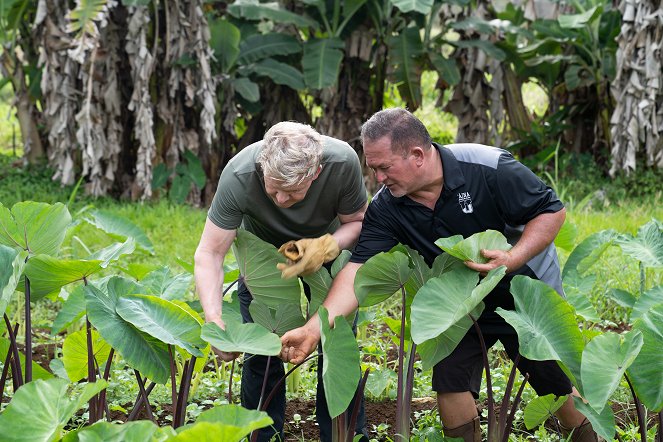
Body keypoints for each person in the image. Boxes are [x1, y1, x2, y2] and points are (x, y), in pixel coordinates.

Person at [280, 108, 600, 442]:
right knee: (450, 384)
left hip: (523, 291)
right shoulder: (387, 206)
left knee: (557, 387)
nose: (378, 178)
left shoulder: (488, 168)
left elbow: (551, 211)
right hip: (458, 301)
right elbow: (357, 271)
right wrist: (313, 329)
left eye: (384, 167)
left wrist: (512, 256)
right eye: (372, 168)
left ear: (417, 155)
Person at [194, 121, 369, 442]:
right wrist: (214, 318)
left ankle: (344, 436)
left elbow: (358, 222)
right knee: (261, 348)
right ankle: (263, 435)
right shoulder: (240, 175)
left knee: (336, 345)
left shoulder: (342, 163)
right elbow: (210, 253)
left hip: (328, 248)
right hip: (264, 257)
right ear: (262, 166)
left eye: (292, 192)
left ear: (316, 173)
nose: (280, 198)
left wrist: (325, 246)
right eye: (272, 187)